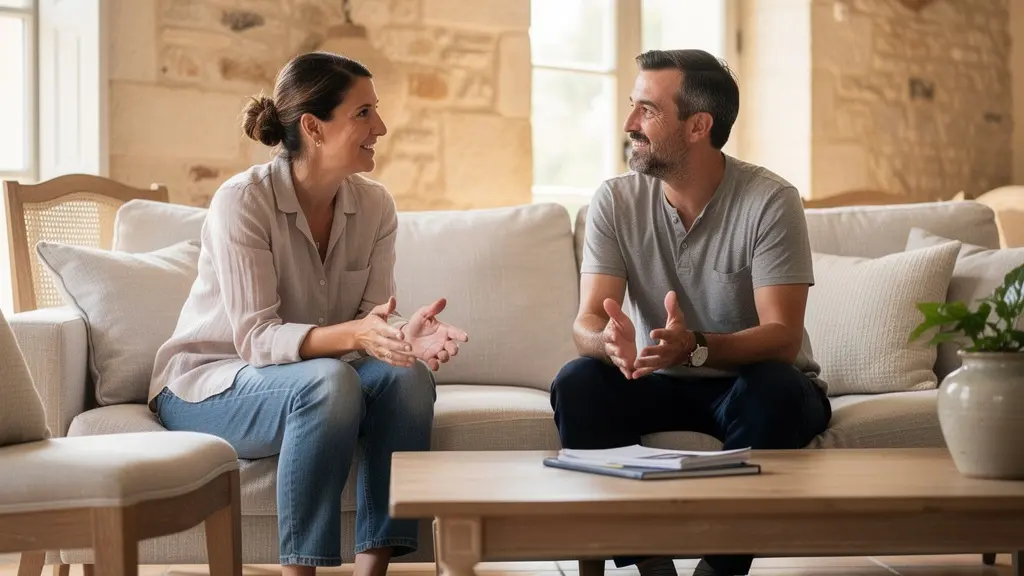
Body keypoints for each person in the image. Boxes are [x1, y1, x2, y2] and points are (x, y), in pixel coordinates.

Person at [148, 51, 469, 576]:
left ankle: (373, 569)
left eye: (376, 111)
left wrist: (402, 337)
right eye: (363, 113)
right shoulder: (242, 201)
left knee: (404, 378)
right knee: (327, 383)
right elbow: (256, 339)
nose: (380, 127)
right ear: (314, 128)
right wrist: (363, 337)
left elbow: (370, 320)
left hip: (311, 378)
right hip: (208, 385)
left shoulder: (375, 207)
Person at [549, 49, 831, 576]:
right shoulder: (615, 200)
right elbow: (586, 321)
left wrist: (698, 346)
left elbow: (782, 338)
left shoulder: (770, 200)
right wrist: (608, 343)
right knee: (578, 381)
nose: (629, 124)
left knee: (776, 387)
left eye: (647, 111)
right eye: (633, 106)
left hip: (748, 381)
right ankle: (650, 561)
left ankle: (719, 570)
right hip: (658, 378)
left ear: (699, 125)